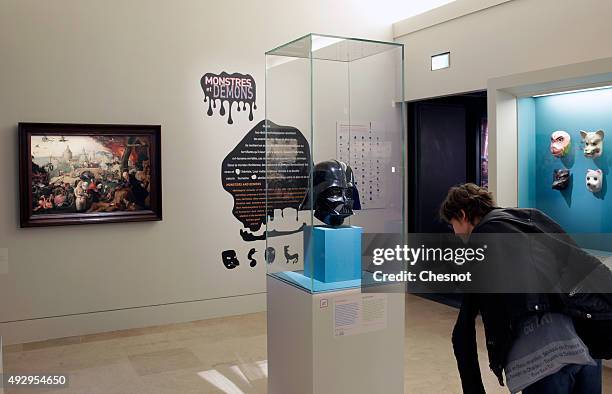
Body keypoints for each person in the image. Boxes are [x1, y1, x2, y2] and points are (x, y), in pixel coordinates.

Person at [439, 183, 612, 394]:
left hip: (541, 359)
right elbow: (584, 263)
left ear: (463, 215)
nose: (456, 234)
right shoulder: (532, 217)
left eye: (452, 225)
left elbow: (464, 328)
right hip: (584, 343)